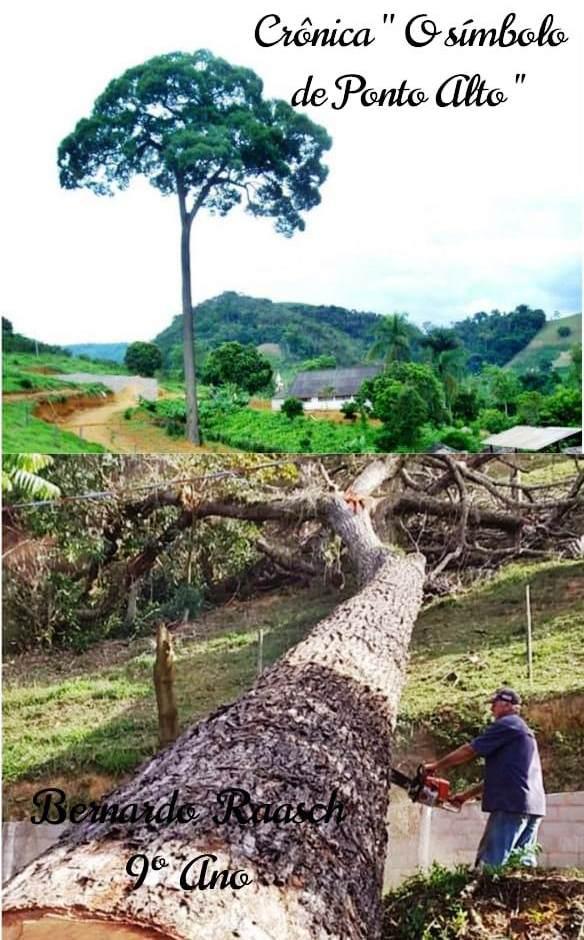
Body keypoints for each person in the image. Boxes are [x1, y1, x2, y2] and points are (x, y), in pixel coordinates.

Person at [423, 687, 546, 867]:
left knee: (490, 863)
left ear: (506, 705)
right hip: (533, 805)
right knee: (520, 866)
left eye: (494, 705)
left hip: (511, 805)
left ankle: (481, 892)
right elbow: (503, 777)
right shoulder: (523, 731)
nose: (491, 710)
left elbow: (470, 750)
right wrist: (465, 796)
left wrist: (435, 766)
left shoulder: (507, 724)